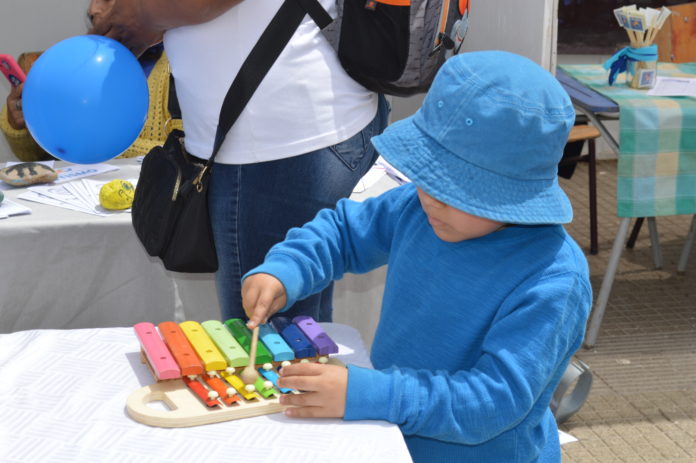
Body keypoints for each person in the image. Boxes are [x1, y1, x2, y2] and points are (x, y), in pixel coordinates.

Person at [241, 51, 593, 462]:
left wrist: (372, 394)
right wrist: (288, 267)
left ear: (511, 195)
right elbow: (344, 232)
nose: (428, 196)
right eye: (424, 175)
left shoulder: (553, 280)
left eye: (451, 188)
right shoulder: (420, 206)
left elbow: (492, 402)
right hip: (394, 437)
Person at [88, 0, 390, 323]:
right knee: (297, 337)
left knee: (266, 350)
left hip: (274, 146)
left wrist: (139, 13)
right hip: (297, 130)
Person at [0, 44, 180, 162]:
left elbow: (185, 156)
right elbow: (34, 157)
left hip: (149, 197)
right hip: (78, 194)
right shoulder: (82, 59)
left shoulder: (180, 66)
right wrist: (21, 125)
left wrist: (99, 144)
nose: (94, 10)